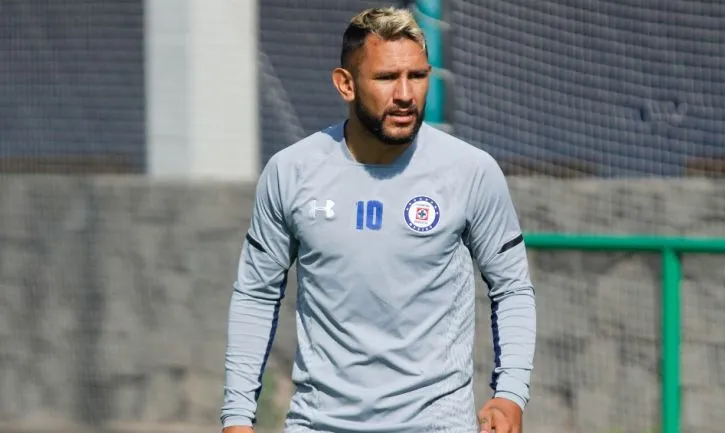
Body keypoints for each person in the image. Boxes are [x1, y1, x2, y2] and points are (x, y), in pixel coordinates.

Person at [220, 6, 536, 433]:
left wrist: (510, 393)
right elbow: (256, 295)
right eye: (387, 78)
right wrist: (237, 416)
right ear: (345, 84)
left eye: (418, 76)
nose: (405, 93)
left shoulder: (471, 172)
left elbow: (512, 287)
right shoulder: (290, 172)